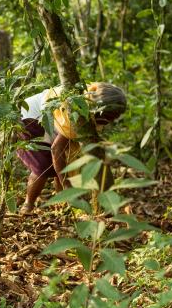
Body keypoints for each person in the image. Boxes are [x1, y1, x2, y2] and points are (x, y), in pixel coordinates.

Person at [17, 82, 127, 215]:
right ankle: (28, 205)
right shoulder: (77, 109)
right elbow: (56, 149)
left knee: (64, 161)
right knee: (43, 166)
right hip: (30, 118)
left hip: (52, 123)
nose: (111, 121)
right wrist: (67, 185)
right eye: (109, 117)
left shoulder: (91, 107)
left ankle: (63, 205)